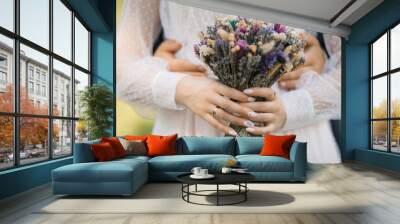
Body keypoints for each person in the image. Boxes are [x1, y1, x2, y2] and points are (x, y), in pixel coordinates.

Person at [117, 0, 341, 163]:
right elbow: (121, 66)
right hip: (189, 125)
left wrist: (293, 108)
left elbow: (353, 68)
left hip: (293, 126)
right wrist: (179, 87)